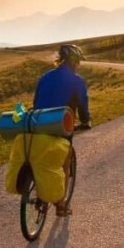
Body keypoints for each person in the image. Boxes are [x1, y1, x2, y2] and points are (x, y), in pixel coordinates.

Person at [33, 43, 91, 216]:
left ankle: (38, 192)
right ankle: (61, 205)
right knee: (64, 164)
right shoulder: (77, 80)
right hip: (61, 125)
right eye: (78, 61)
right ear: (73, 61)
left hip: (38, 122)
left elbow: (36, 101)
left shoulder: (45, 76)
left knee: (41, 159)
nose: (78, 65)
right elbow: (83, 104)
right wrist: (86, 121)